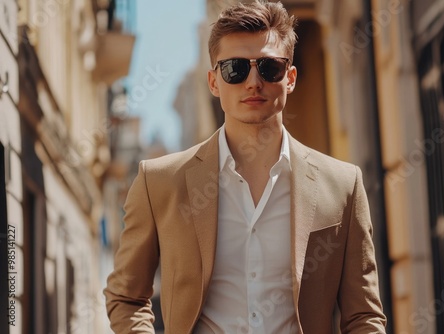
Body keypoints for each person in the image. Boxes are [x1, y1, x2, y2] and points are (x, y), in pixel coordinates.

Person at [104, 1, 386, 333]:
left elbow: (363, 316)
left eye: (269, 68)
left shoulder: (343, 185)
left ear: (290, 77)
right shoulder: (160, 183)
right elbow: (126, 298)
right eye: (235, 69)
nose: (253, 82)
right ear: (213, 82)